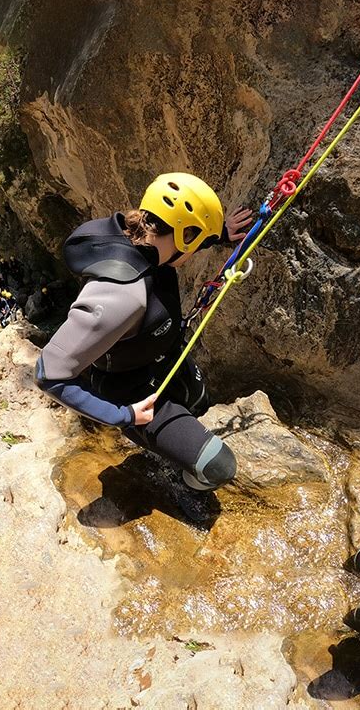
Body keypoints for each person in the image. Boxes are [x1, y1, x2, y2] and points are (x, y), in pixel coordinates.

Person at [35, 172, 252, 512]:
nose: (194, 253)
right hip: (131, 395)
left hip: (158, 360)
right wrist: (123, 415)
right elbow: (50, 374)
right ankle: (180, 486)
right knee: (218, 467)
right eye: (196, 241)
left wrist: (219, 234)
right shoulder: (121, 296)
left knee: (200, 401)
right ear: (184, 234)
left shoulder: (137, 234)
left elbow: (174, 237)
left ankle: (173, 443)